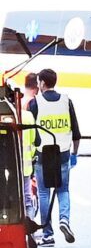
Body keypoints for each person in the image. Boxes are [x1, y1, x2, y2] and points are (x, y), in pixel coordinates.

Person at [29, 68, 79, 247]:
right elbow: (76, 131)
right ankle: (64, 220)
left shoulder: (35, 103)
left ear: (42, 83)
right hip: (63, 153)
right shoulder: (66, 101)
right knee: (63, 190)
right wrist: (74, 154)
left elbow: (30, 132)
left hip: (43, 154)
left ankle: (48, 234)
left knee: (43, 192)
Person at [21, 73, 39, 221]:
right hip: (26, 166)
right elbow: (35, 140)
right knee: (28, 199)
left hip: (7, 166)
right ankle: (31, 228)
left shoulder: (15, 108)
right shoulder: (30, 112)